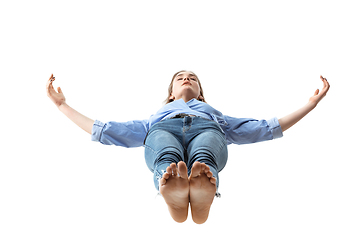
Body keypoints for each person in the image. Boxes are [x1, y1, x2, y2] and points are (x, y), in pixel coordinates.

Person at [46, 70, 330, 224]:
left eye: (193, 78)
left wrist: (310, 104)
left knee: (204, 154)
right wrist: (62, 105)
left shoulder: (215, 114)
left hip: (208, 130)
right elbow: (107, 130)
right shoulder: (153, 118)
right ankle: (174, 188)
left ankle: (198, 188)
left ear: (201, 92)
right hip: (161, 131)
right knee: (165, 154)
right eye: (181, 77)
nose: (187, 79)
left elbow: (264, 127)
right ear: (171, 92)